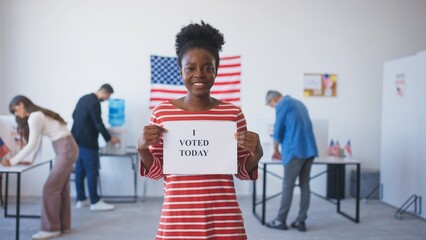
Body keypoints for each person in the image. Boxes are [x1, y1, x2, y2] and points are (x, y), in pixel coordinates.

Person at [137, 21, 263, 239]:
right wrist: (142, 150)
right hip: (178, 216)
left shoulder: (232, 114)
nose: (199, 74)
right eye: (191, 68)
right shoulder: (162, 114)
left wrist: (256, 154)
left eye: (208, 68)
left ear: (216, 71)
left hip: (224, 216)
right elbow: (158, 172)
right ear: (180, 71)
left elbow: (242, 171)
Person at [2, 95, 78, 239]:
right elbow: (35, 145)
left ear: (21, 104)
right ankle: (64, 226)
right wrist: (28, 160)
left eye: (15, 110)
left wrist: (12, 161)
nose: (16, 115)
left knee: (50, 189)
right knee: (61, 189)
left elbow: (31, 144)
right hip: (67, 147)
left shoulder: (35, 117)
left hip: (65, 148)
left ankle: (51, 229)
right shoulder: (39, 114)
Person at [265, 90, 318, 232]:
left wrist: (275, 150)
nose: (273, 108)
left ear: (274, 99)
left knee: (288, 185)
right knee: (305, 184)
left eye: (271, 105)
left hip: (295, 151)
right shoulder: (300, 103)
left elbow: (278, 129)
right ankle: (301, 221)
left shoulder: (282, 104)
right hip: (310, 150)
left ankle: (280, 220)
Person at [71, 84, 119, 211]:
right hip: (88, 142)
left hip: (76, 140)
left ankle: (81, 200)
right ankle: (95, 201)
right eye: (107, 96)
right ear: (104, 92)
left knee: (80, 171)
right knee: (92, 171)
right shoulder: (94, 103)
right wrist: (109, 139)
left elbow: (73, 115)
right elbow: (98, 123)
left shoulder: (83, 98)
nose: (107, 99)